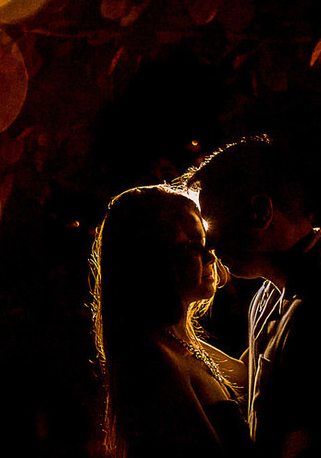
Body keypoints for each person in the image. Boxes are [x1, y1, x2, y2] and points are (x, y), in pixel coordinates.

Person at [181, 135, 321, 458]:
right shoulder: (268, 292)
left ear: (261, 212)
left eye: (210, 222)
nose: (209, 245)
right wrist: (171, 331)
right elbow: (252, 381)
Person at [91, 184, 253, 457]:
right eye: (192, 244)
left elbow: (252, 374)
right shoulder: (154, 358)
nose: (210, 255)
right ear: (151, 257)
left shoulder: (181, 342)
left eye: (206, 241)